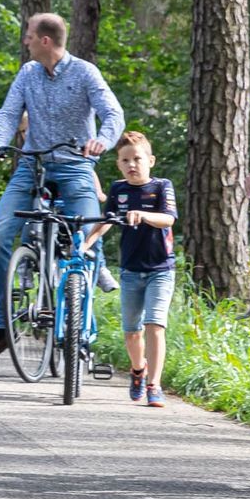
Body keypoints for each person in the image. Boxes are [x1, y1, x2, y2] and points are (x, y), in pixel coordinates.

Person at [0, 13, 126, 365]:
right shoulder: (28, 74)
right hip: (33, 165)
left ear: (45, 40)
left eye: (28, 36)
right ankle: (2, 327)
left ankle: (81, 324)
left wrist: (102, 140)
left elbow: (113, 113)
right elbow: (9, 112)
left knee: (89, 233)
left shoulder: (85, 73)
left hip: (75, 165)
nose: (25, 41)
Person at [87, 131, 176, 408]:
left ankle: (154, 385)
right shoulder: (117, 189)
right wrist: (88, 241)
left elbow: (168, 219)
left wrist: (144, 216)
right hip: (130, 271)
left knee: (155, 325)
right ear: (118, 164)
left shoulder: (161, 186)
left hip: (161, 269)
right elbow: (107, 220)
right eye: (125, 160)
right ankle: (138, 370)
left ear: (150, 160)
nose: (132, 165)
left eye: (137, 158)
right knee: (131, 331)